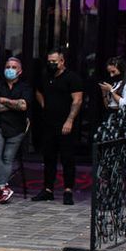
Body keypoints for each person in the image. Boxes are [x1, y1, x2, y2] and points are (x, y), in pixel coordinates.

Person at [33, 48, 83, 205]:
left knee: (67, 158)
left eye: (54, 62)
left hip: (66, 124)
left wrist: (70, 120)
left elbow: (77, 100)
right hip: (49, 124)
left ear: (62, 61)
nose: (51, 64)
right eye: (49, 62)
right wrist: (44, 105)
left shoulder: (72, 78)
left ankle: (68, 190)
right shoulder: (46, 76)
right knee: (49, 157)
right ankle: (48, 189)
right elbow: (38, 91)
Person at [0, 57, 33, 203]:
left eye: (13, 67)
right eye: (8, 67)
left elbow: (23, 106)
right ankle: (3, 187)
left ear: (20, 71)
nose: (10, 70)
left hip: (16, 128)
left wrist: (4, 100)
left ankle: (1, 189)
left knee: (8, 157)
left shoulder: (25, 87)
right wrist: (14, 104)